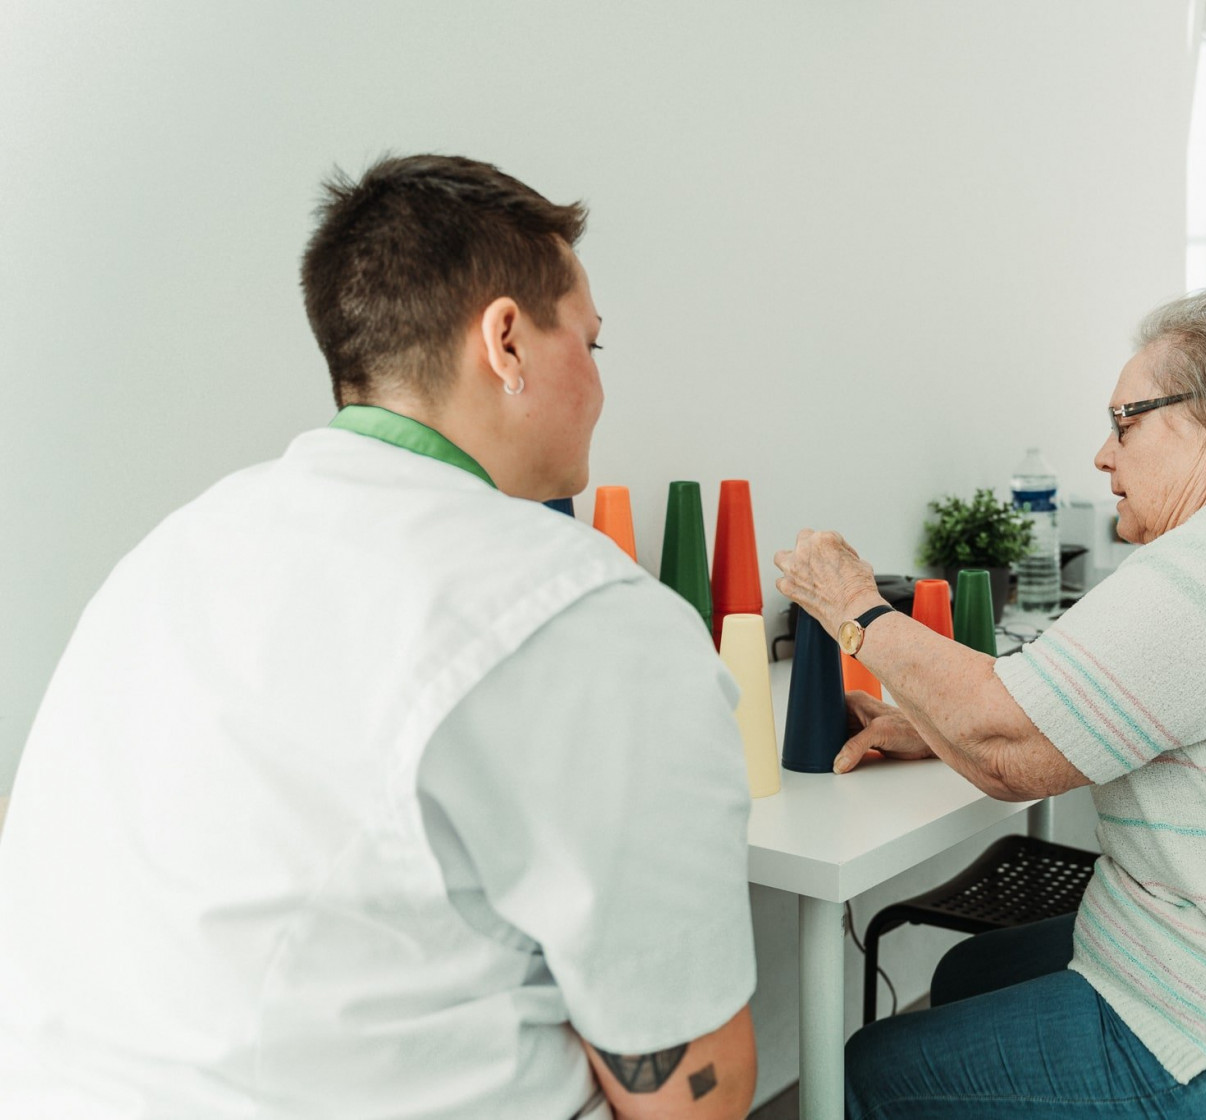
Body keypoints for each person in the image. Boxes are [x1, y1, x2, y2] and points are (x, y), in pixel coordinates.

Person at [0, 155, 757, 1120]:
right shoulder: (587, 610)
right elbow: (693, 1098)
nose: (601, 388)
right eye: (593, 346)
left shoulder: (170, 552)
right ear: (508, 341)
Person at [774, 290, 1206, 1120]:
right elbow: (1048, 716)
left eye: (1127, 422)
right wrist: (934, 727)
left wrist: (855, 608)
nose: (1103, 457)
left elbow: (1008, 751)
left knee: (868, 1070)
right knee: (969, 974)